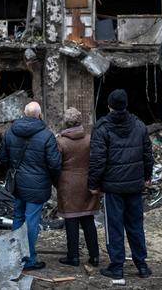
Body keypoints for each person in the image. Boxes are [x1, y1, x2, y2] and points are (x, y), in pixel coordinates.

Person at [89, 89, 154, 280]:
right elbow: (147, 154)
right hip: (134, 185)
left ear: (109, 105)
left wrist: (93, 184)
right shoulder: (139, 125)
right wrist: (147, 176)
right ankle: (141, 265)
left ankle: (117, 267)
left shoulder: (102, 128)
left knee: (114, 227)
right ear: (126, 104)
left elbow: (97, 160)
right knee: (135, 225)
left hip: (112, 188)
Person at [0, 101, 61, 271]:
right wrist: (54, 180)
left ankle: (15, 256)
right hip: (38, 184)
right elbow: (55, 164)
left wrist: (13, 168)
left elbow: (2, 157)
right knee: (32, 220)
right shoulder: (47, 135)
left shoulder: (10, 132)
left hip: (18, 183)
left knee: (18, 217)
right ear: (39, 115)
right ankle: (29, 259)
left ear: (24, 113)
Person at [56, 108, 100, 267]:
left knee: (71, 219)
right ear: (80, 121)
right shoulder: (90, 139)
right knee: (88, 218)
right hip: (87, 182)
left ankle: (73, 256)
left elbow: (56, 164)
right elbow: (96, 160)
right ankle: (94, 256)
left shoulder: (60, 142)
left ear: (65, 122)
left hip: (67, 184)